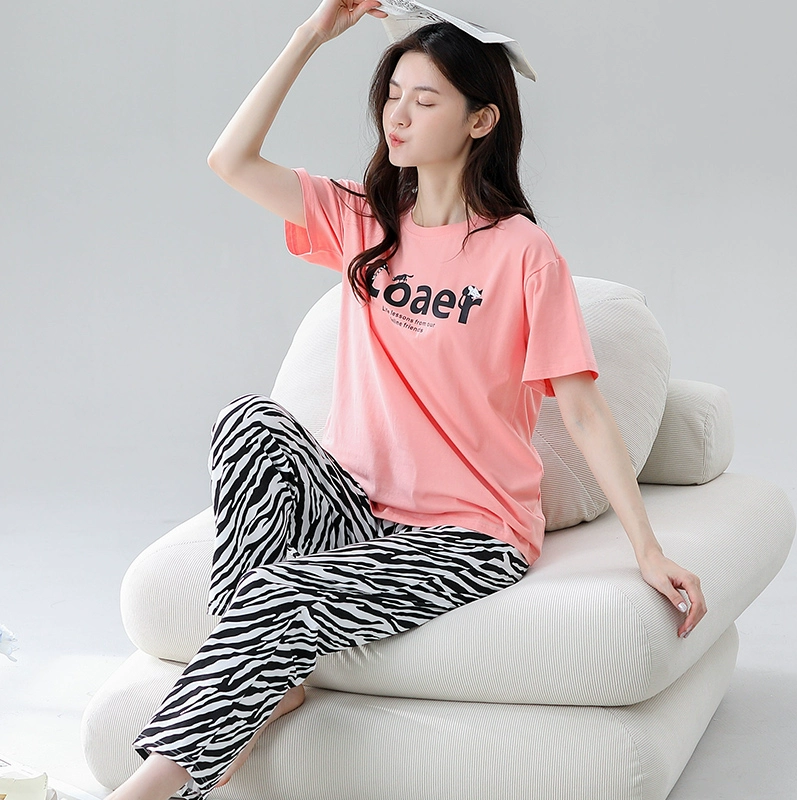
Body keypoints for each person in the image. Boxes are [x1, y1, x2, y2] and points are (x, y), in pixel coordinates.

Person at [107, 2, 707, 799]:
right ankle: (262, 685)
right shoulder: (364, 221)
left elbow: (584, 411)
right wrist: (310, 38)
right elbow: (231, 159)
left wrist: (647, 549)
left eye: (424, 101)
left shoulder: (523, 253)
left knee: (282, 592)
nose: (397, 115)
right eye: (392, 95)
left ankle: (150, 786)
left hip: (466, 533)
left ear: (481, 120)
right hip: (357, 508)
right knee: (247, 421)